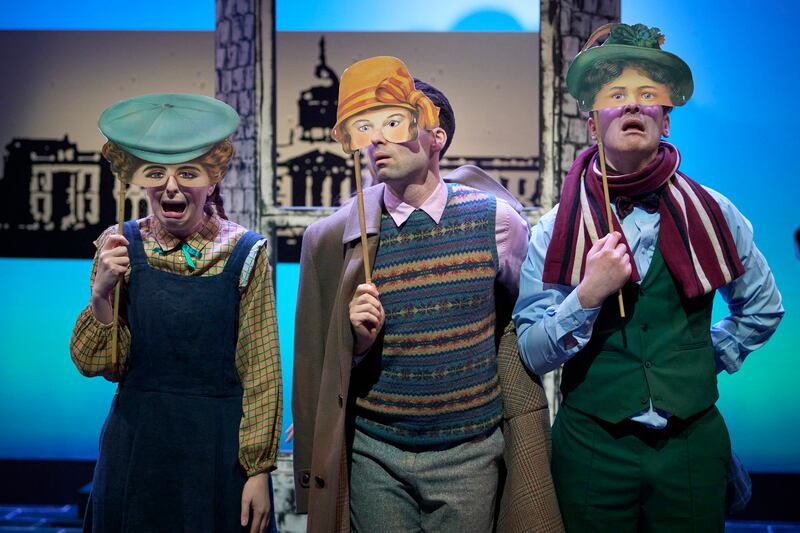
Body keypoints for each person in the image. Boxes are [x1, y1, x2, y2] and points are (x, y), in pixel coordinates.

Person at [513, 23, 784, 532]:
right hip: (593, 448)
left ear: (666, 118)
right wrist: (588, 295)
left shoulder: (714, 213)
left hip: (690, 446)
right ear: (593, 124)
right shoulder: (555, 228)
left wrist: (702, 360)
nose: (632, 106)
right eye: (615, 94)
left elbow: (763, 309)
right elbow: (530, 349)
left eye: (647, 94)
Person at [292, 56, 563, 533]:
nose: (375, 141)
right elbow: (321, 351)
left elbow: (516, 320)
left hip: (468, 453)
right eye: (366, 129)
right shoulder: (342, 237)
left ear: (435, 136)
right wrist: (352, 343)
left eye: (394, 123)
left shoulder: (495, 223)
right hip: (377, 450)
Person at [70, 93, 282, 533]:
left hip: (216, 447)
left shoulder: (244, 252)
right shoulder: (119, 244)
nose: (171, 188)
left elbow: (261, 369)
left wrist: (259, 469)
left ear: (212, 180)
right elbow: (102, 365)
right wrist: (101, 294)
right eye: (157, 174)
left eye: (188, 173)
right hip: (137, 443)